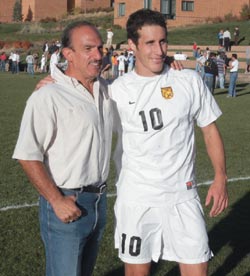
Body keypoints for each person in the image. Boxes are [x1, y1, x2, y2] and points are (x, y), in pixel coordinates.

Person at [110, 9, 228, 276]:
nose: (159, 50)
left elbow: (209, 130)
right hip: (137, 200)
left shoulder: (188, 80)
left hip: (182, 197)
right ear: (132, 45)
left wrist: (220, 177)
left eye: (163, 41)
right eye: (150, 43)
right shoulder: (116, 91)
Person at [13, 21, 114, 276]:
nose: (98, 55)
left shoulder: (105, 90)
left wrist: (169, 63)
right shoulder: (48, 96)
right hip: (67, 201)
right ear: (68, 54)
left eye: (100, 48)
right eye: (88, 48)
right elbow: (27, 155)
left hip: (99, 202)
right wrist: (56, 200)